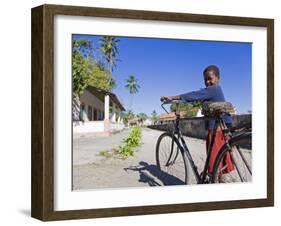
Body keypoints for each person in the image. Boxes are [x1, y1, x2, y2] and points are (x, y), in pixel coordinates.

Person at [161, 65, 235, 182]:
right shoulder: (215, 91)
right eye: (205, 80)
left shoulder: (213, 89)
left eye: (210, 78)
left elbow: (194, 94)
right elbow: (197, 98)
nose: (207, 82)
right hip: (223, 127)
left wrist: (173, 97)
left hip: (217, 130)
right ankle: (218, 177)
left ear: (218, 78)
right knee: (218, 160)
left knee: (214, 161)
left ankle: (215, 180)